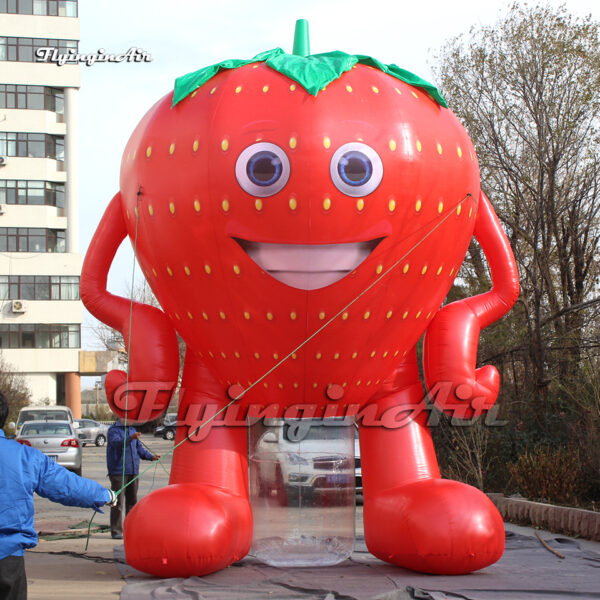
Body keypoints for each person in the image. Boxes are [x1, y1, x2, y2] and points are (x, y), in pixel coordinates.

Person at [0, 392, 116, 600]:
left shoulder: (25, 456)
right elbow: (66, 485)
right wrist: (103, 494)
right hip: (7, 561)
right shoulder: (23, 456)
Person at [106, 419, 159, 539]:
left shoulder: (132, 430)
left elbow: (139, 449)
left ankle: (131, 529)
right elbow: (117, 443)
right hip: (118, 472)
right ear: (122, 417)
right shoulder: (113, 431)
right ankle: (116, 531)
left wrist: (151, 457)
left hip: (133, 472)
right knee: (117, 502)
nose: (132, 420)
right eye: (129, 418)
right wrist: (130, 438)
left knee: (132, 503)